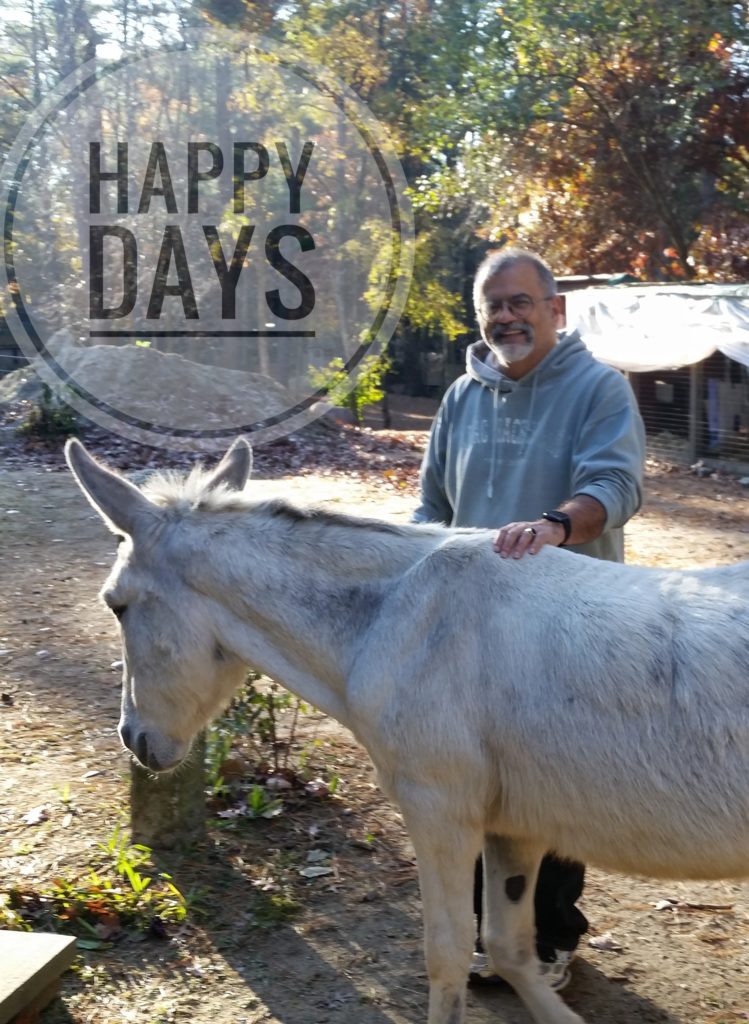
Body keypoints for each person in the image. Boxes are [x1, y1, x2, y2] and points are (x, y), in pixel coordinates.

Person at [412, 247, 646, 991]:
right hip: (470, 631)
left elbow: (615, 485)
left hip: (568, 624)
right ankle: (494, 935)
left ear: (555, 310)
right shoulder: (459, 397)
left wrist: (553, 525)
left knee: (557, 782)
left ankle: (552, 935)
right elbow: (431, 509)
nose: (506, 317)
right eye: (493, 307)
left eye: (519, 302)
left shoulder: (597, 387)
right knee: (481, 782)